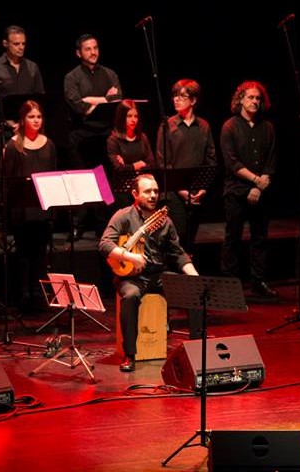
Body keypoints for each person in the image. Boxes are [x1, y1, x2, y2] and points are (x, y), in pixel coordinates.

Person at [99, 174, 199, 372]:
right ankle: (130, 355)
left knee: (194, 292)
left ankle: (197, 350)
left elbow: (177, 253)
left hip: (159, 274)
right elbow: (104, 244)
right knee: (130, 296)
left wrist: (195, 277)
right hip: (133, 277)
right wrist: (130, 257)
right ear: (135, 194)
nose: (153, 195)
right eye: (147, 191)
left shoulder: (165, 221)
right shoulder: (123, 216)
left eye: (155, 191)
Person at [219, 81, 278, 299]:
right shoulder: (230, 126)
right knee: (232, 237)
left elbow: (271, 160)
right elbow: (231, 163)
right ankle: (229, 284)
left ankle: (259, 281)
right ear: (241, 99)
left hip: (261, 191)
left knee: (260, 237)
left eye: (258, 98)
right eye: (250, 97)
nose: (254, 101)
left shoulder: (268, 127)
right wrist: (255, 181)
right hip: (236, 190)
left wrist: (260, 185)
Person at [64, 34, 123, 238]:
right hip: (81, 136)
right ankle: (77, 227)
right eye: (88, 49)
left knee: (104, 182)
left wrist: (93, 100)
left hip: (105, 135)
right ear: (79, 53)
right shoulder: (72, 77)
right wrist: (103, 98)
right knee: (80, 181)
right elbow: (79, 106)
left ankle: (103, 228)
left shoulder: (109, 74)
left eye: (95, 47)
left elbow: (117, 101)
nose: (93, 52)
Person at [3, 100, 57, 312]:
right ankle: (23, 293)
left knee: (40, 253)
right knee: (23, 252)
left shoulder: (49, 144)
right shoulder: (13, 145)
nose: (36, 120)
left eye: (39, 117)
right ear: (22, 120)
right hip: (22, 210)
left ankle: (38, 291)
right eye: (31, 117)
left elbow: (52, 175)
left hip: (42, 209)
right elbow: (9, 180)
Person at [155, 79, 217, 253]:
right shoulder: (167, 126)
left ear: (193, 100)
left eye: (182, 96)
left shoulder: (204, 126)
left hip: (196, 192)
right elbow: (162, 162)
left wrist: (203, 188)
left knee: (192, 237)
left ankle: (189, 276)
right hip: (174, 193)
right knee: (177, 236)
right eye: (175, 96)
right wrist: (181, 189)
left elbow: (210, 159)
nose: (176, 99)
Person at [106, 99, 155, 208]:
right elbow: (118, 169)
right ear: (121, 117)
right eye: (129, 116)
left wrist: (128, 166)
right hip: (122, 191)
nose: (133, 120)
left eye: (136, 116)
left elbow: (152, 164)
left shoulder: (142, 137)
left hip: (142, 189)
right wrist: (136, 165)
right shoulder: (113, 140)